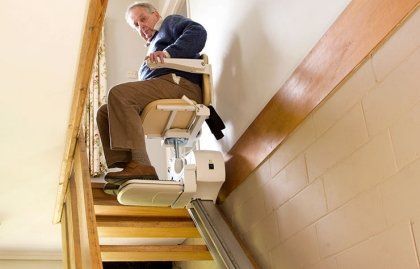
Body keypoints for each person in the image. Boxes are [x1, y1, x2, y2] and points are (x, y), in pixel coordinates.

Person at [96, 2, 207, 185]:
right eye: (136, 25)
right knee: (104, 112)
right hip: (165, 87)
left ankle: (141, 164)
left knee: (119, 94)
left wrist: (168, 53)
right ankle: (129, 165)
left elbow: (198, 33)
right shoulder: (152, 45)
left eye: (143, 19)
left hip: (180, 86)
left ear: (155, 15)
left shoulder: (169, 23)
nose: (141, 27)